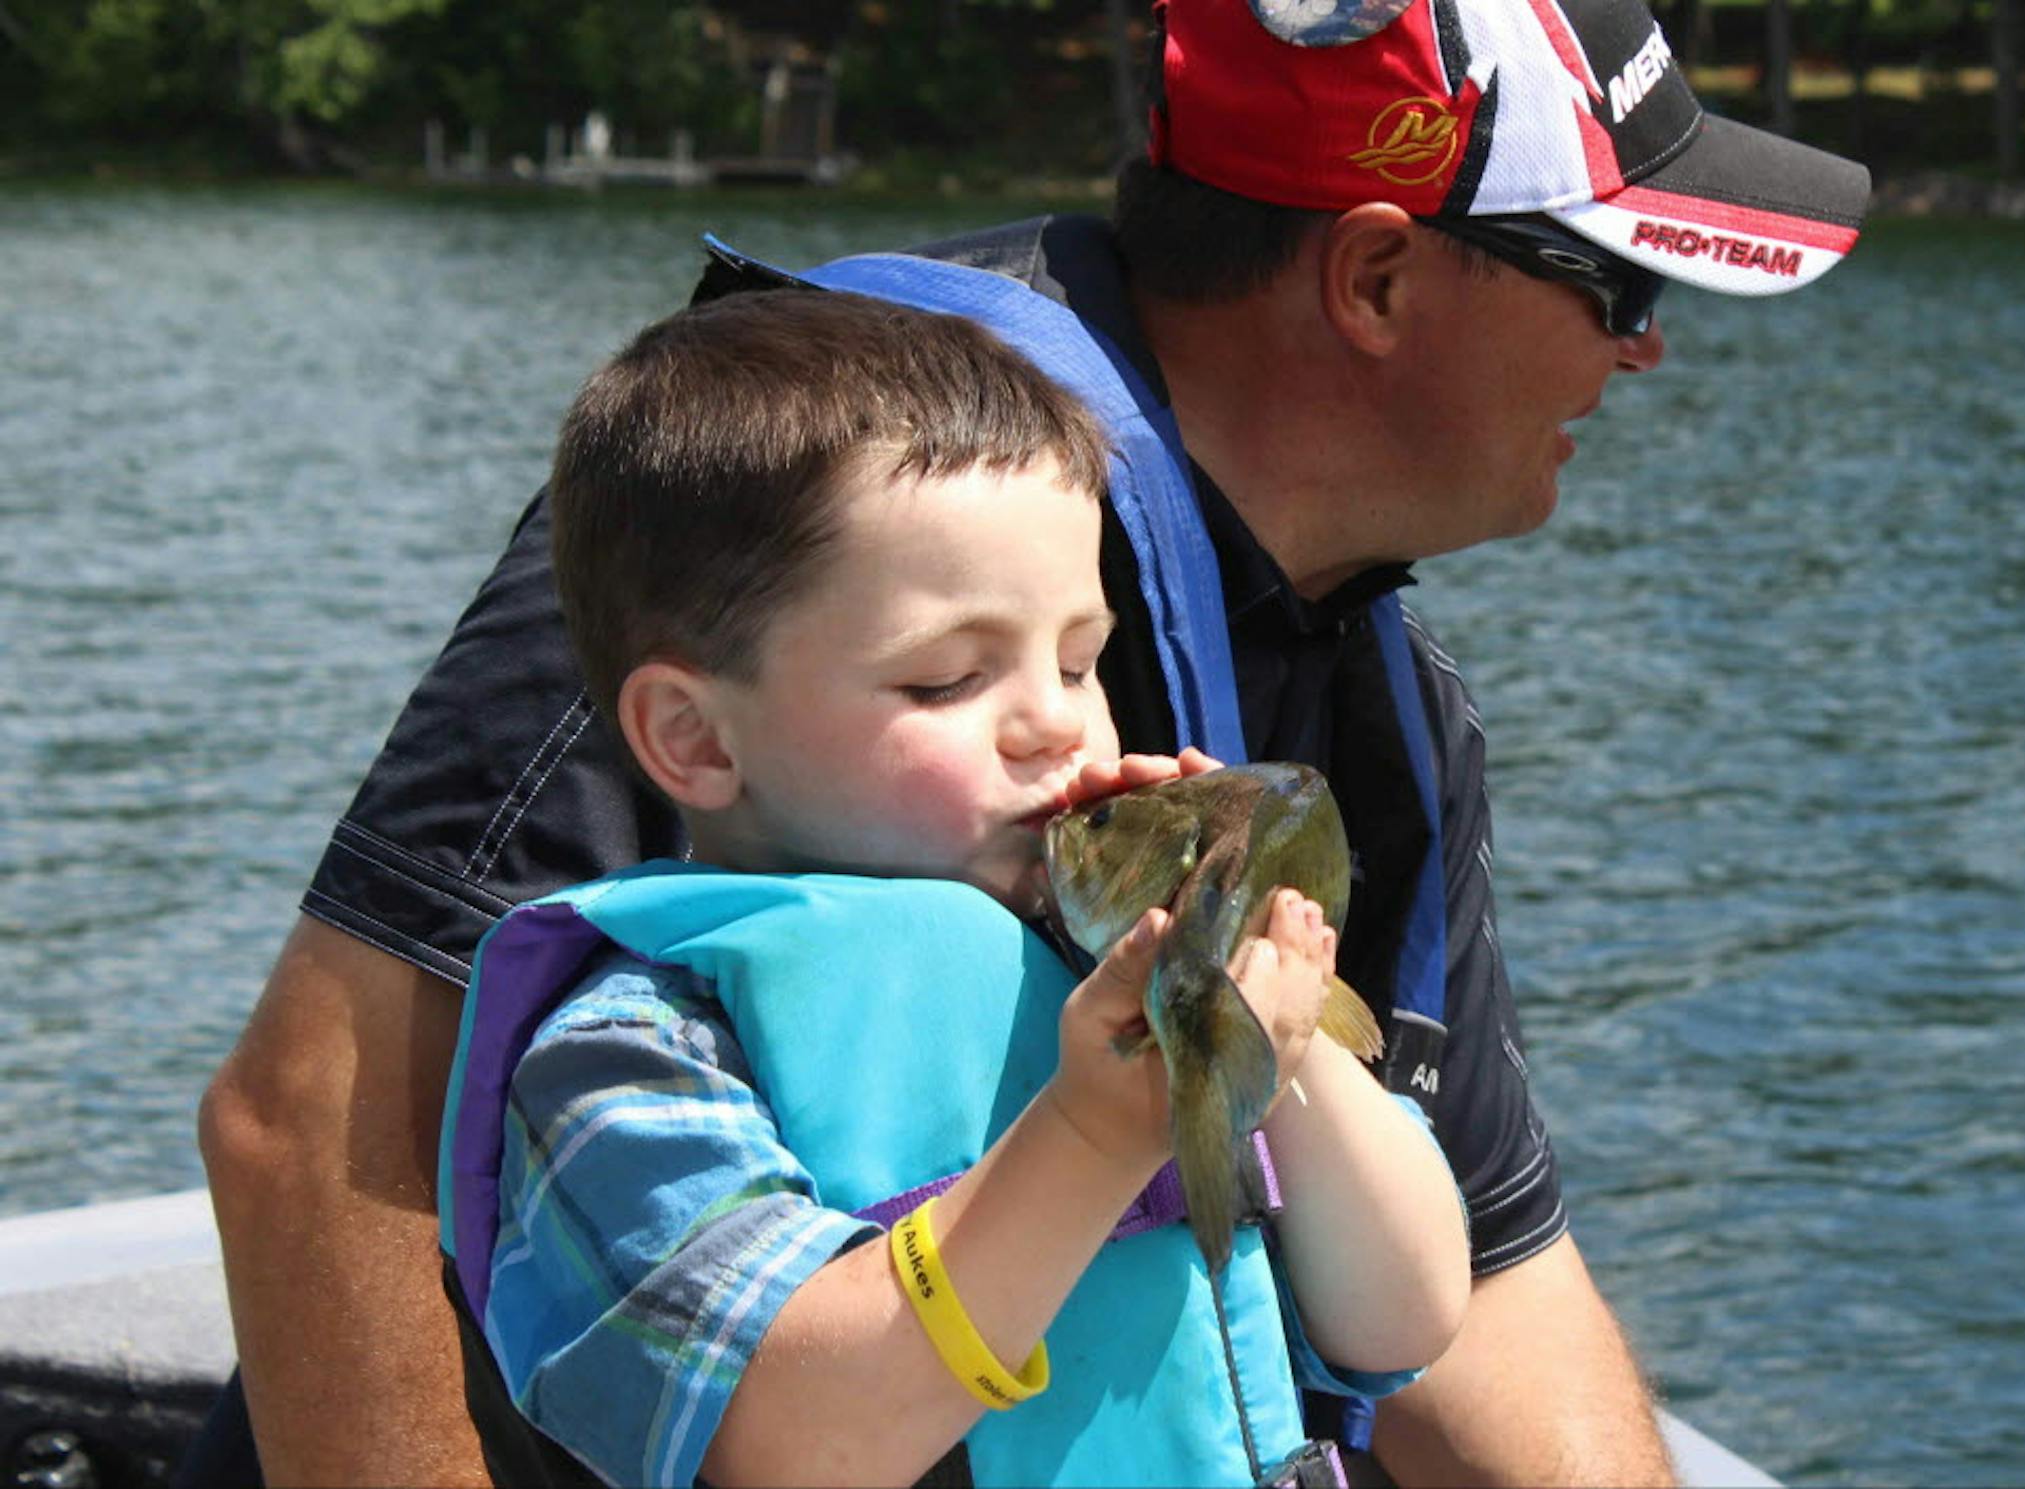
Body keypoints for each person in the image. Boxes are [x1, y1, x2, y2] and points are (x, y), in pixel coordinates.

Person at [195, 0, 1871, 1483]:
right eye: (1619, 279)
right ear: (1372, 275)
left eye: (1081, 659)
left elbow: (1475, 1293)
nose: (1648, 346)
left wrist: (1289, 1057)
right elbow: (315, 1122)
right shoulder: (835, 482)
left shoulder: (1383, 706)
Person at [436, 288, 1470, 1487]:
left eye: (1081, 660)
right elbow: (795, 1440)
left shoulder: (1108, 970)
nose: (1052, 720)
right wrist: (1089, 1136)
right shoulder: (636, 1058)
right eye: (946, 679)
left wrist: (1265, 1030)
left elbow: (1406, 1316)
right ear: (699, 740)